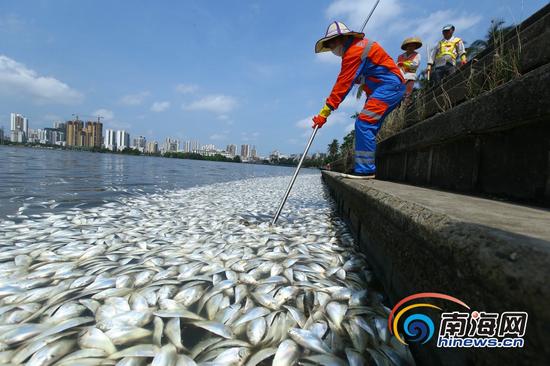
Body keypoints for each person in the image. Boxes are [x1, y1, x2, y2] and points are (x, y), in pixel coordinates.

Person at [312, 21, 405, 178]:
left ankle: (366, 170)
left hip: (390, 87)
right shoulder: (357, 49)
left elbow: (342, 85)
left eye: (331, 43)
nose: (331, 48)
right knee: (368, 124)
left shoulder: (354, 51)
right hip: (386, 88)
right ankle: (365, 167)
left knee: (364, 123)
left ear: (341, 38)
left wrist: (324, 113)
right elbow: (369, 77)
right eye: (328, 46)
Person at [397, 37, 422, 104]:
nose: (411, 47)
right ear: (406, 47)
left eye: (413, 46)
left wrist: (403, 64)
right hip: (401, 77)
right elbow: (397, 66)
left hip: (410, 76)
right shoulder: (400, 56)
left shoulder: (417, 55)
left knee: (407, 93)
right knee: (399, 94)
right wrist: (403, 65)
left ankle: (406, 106)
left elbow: (415, 65)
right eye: (409, 45)